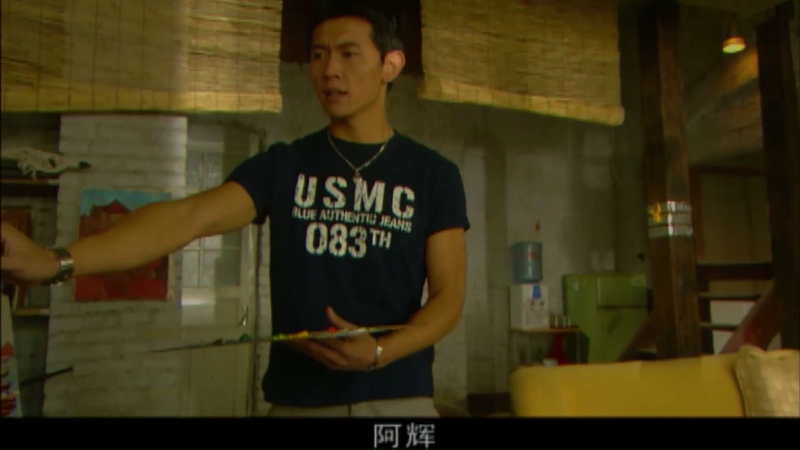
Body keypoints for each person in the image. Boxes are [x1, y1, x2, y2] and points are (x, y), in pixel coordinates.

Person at [0, 2, 468, 417]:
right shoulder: (283, 166)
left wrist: (380, 352)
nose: (329, 70)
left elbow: (448, 298)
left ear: (390, 64)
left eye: (349, 54)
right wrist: (53, 261)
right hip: (298, 403)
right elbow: (186, 218)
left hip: (399, 401)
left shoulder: (433, 175)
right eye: (318, 55)